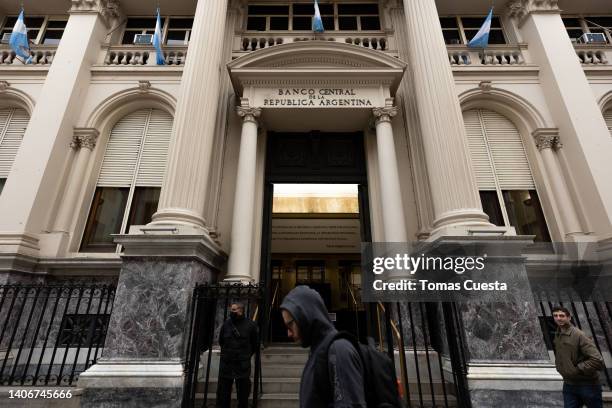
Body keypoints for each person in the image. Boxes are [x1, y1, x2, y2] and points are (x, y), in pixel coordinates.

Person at [280, 285, 366, 408]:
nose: (288, 333)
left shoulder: (339, 349)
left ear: (306, 316)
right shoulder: (318, 351)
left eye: (290, 325)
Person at [552, 306, 604, 408]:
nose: (558, 318)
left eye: (561, 315)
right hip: (569, 384)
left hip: (588, 385)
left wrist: (577, 369)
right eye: (555, 315)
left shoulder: (579, 335)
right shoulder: (558, 334)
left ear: (569, 317)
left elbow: (597, 360)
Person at [216, 302, 259, 408]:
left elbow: (255, 344)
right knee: (223, 393)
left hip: (242, 364)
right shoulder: (226, 324)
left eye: (234, 310)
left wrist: (245, 355)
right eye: (231, 310)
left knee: (243, 394)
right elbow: (221, 341)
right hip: (227, 364)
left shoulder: (250, 325)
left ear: (241, 310)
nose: (232, 312)